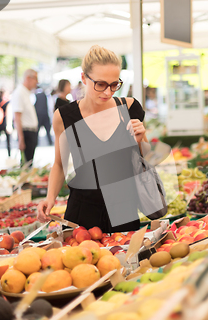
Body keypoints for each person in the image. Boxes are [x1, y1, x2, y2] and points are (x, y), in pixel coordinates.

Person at [37, 45, 148, 233]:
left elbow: (146, 158)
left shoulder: (129, 108)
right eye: (101, 84)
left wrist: (141, 138)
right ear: (83, 78)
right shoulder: (64, 117)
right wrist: (50, 198)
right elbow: (59, 164)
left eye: (114, 85)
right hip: (83, 213)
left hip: (124, 210)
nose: (108, 92)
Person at [11, 69, 39, 165]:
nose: (37, 82)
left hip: (31, 132)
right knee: (26, 164)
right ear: (28, 78)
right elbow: (17, 118)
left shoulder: (26, 93)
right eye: (35, 78)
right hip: (26, 132)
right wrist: (21, 139)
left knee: (29, 162)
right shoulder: (19, 93)